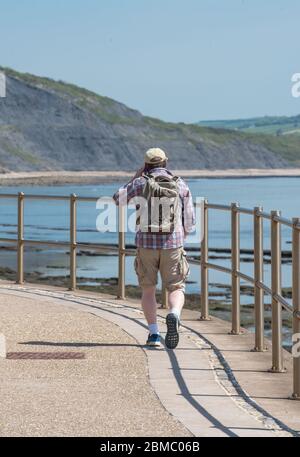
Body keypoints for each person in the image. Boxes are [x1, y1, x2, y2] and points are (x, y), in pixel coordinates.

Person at [113, 148, 195, 349]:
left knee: (148, 289)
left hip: (146, 244)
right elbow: (190, 221)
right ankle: (174, 314)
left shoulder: (140, 183)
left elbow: (118, 200)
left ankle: (154, 334)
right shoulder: (179, 184)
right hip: (172, 243)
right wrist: (181, 237)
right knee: (176, 287)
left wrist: (134, 177)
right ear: (166, 162)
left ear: (146, 164)